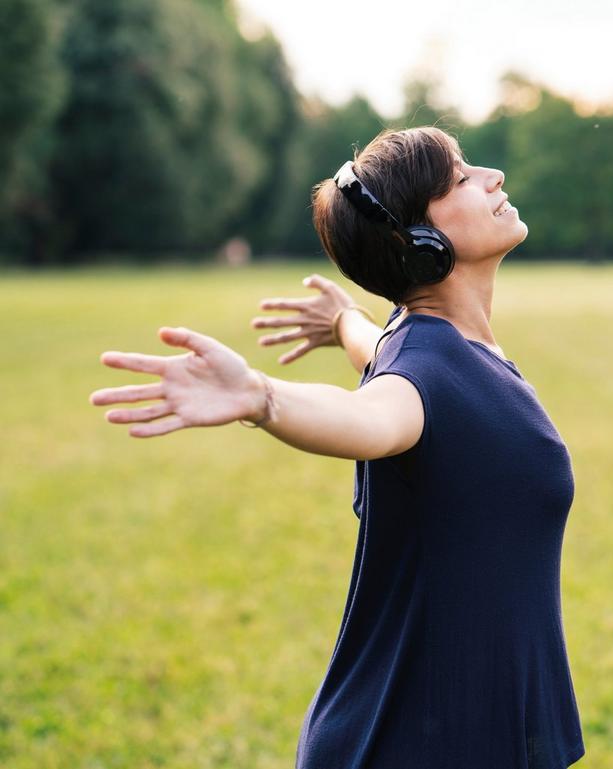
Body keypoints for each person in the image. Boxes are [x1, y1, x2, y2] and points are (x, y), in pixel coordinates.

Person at [90, 126, 586, 769]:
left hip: (457, 724)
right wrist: (264, 397)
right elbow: (369, 414)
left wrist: (343, 321)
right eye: (461, 177)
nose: (492, 177)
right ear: (423, 242)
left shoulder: (434, 345)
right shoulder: (420, 378)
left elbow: (380, 353)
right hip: (415, 740)